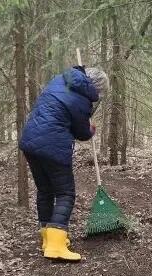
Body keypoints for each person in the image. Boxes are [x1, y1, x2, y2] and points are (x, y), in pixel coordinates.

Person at [20, 63, 109, 262]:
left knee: (45, 191)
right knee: (65, 193)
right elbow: (82, 132)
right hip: (53, 145)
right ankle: (56, 246)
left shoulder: (59, 79)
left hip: (30, 142)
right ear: (96, 87)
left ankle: (47, 238)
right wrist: (91, 129)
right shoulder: (82, 100)